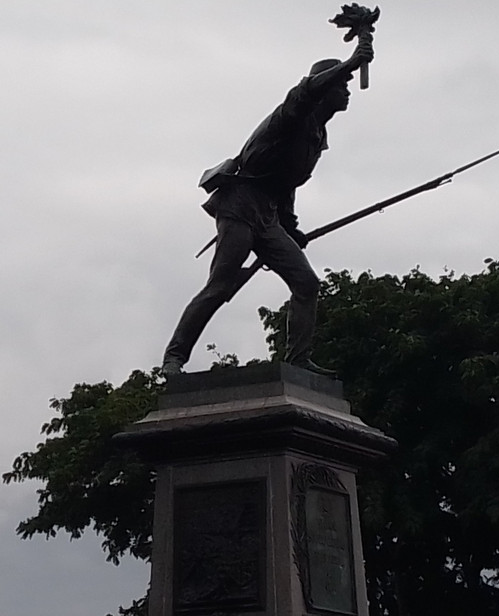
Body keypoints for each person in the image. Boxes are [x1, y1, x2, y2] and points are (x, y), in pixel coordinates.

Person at [160, 35, 374, 377]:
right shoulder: (293, 114)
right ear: (325, 89)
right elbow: (304, 92)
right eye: (341, 84)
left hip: (268, 215)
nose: (347, 91)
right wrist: (351, 62)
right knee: (221, 284)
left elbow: (285, 182)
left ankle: (298, 359)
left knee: (306, 284)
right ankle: (174, 357)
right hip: (240, 206)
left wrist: (290, 227)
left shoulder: (317, 135)